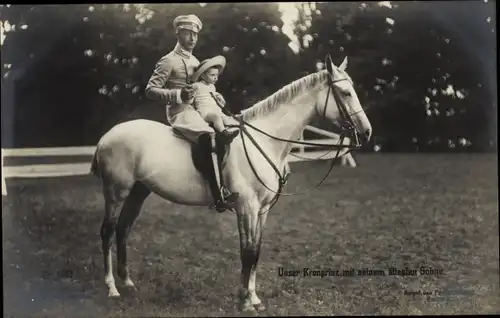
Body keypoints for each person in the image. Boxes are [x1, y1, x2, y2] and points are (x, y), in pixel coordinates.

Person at [145, 14, 238, 212]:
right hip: (180, 111)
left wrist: (216, 99)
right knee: (209, 136)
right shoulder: (168, 61)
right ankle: (218, 195)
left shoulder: (196, 61)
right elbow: (150, 90)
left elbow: (204, 89)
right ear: (178, 34)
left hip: (199, 110)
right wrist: (178, 94)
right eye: (187, 33)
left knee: (231, 129)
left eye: (195, 34)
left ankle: (232, 182)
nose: (192, 38)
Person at [190, 55, 239, 143]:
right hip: (205, 112)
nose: (216, 77)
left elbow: (213, 95)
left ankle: (235, 130)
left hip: (215, 109)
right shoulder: (196, 86)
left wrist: (219, 97)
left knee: (226, 118)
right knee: (216, 117)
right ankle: (224, 134)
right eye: (212, 75)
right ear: (203, 75)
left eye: (217, 75)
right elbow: (190, 98)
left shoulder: (212, 87)